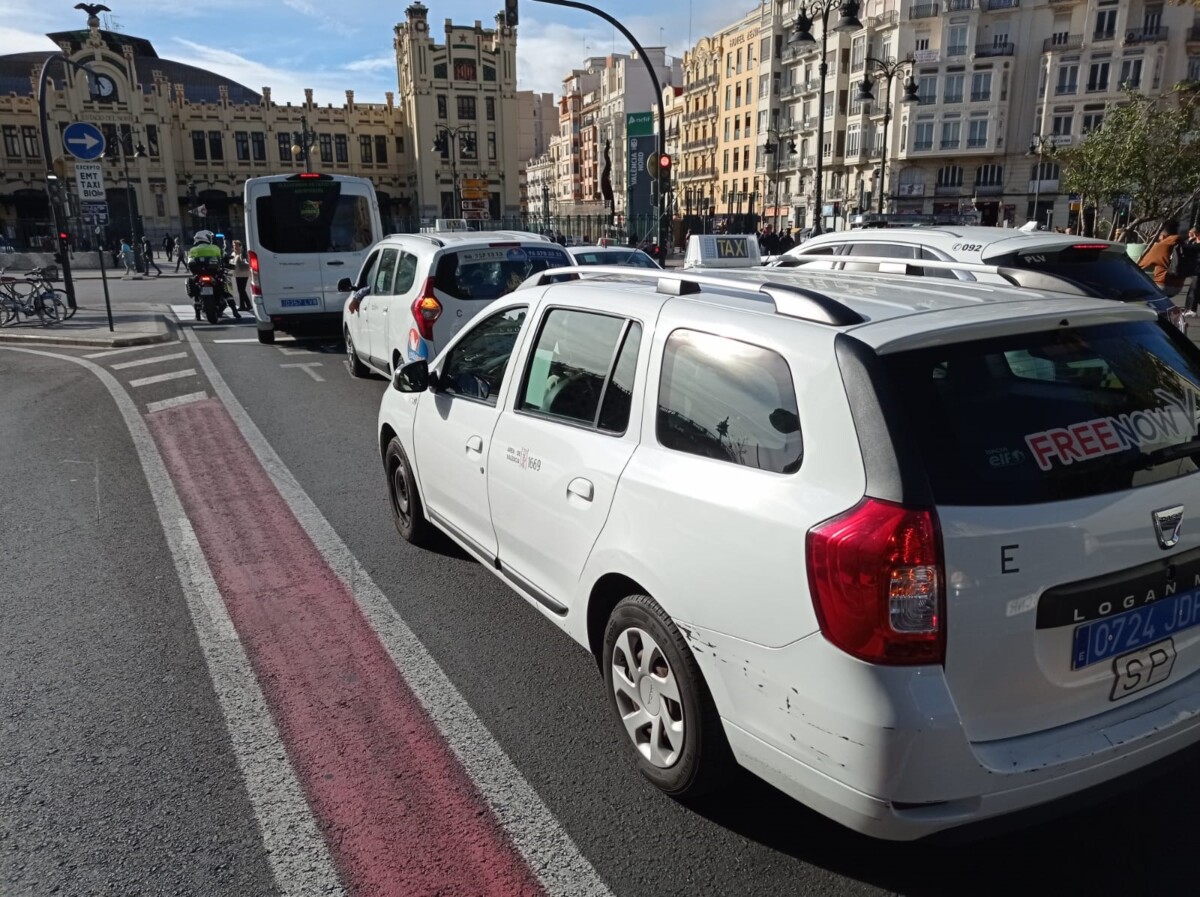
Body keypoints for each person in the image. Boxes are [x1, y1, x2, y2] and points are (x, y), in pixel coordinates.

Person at [188, 230, 240, 320]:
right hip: (214, 275)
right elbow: (221, 259)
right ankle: (235, 312)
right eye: (209, 238)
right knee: (226, 291)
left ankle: (197, 315)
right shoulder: (215, 248)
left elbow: (189, 262)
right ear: (206, 238)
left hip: (199, 275)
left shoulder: (193, 250)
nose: (210, 239)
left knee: (196, 294)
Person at [1138, 219, 1184, 297]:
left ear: (1163, 236)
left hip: (1162, 285)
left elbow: (1141, 265)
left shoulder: (1161, 246)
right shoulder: (1183, 244)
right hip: (1178, 286)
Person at [230, 239, 252, 311]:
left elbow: (245, 261)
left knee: (241, 290)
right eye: (234, 245)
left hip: (244, 274)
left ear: (240, 246)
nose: (235, 247)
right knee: (241, 290)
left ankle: (243, 306)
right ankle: (248, 305)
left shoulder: (243, 254)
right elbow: (232, 263)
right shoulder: (233, 254)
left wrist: (243, 256)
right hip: (237, 274)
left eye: (236, 245)